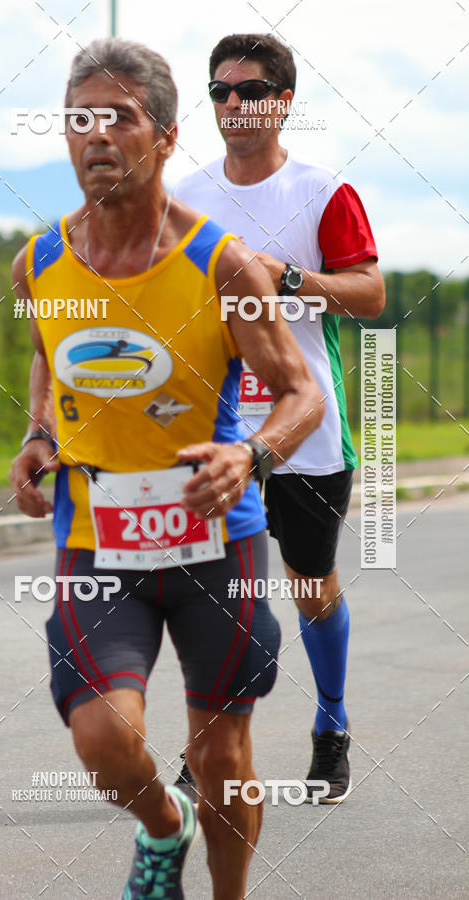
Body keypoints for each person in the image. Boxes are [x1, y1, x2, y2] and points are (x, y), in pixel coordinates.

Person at [9, 38, 322, 900]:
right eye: (79, 119)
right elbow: (50, 360)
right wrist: (39, 437)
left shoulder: (225, 265)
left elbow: (303, 394)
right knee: (105, 743)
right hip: (98, 544)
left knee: (221, 753)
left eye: (120, 117)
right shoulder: (39, 264)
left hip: (214, 545)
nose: (96, 135)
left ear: (166, 136)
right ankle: (162, 825)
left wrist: (252, 453)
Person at [173, 33, 385, 803]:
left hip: (307, 432)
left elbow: (370, 293)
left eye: (249, 89)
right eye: (219, 91)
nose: (232, 103)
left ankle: (331, 724)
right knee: (216, 591)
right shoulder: (186, 194)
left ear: (282, 99)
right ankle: (211, 747)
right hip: (218, 431)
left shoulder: (322, 192)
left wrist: (289, 276)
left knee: (310, 585)